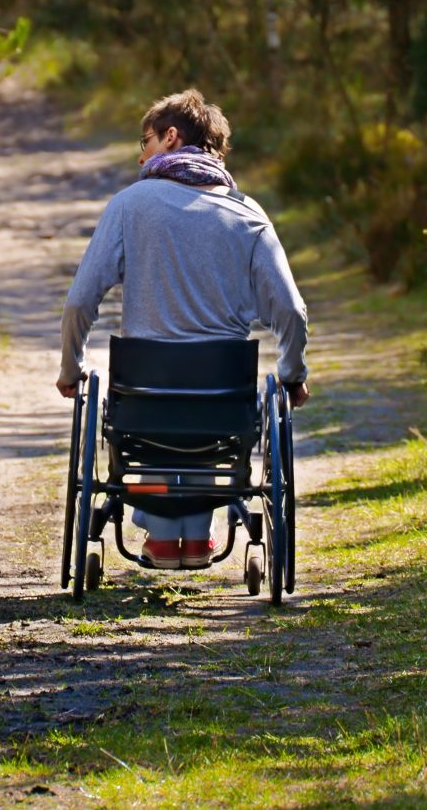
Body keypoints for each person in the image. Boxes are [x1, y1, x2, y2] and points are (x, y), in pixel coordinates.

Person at [58, 89, 310, 569]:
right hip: (223, 411)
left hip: (143, 407)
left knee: (153, 421)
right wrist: (292, 375)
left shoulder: (129, 206)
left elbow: (78, 302)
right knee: (208, 424)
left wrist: (72, 368)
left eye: (147, 139)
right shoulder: (248, 215)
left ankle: (161, 536)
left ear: (172, 137)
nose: (141, 153)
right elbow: (292, 313)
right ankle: (196, 538)